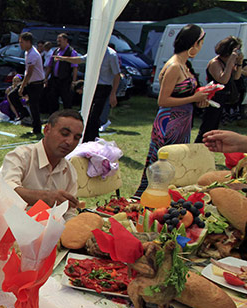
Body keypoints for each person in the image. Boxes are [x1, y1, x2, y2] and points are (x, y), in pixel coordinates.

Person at [135, 24, 209, 197]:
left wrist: (200, 99)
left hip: (182, 121)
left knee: (176, 162)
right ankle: (147, 197)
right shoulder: (174, 66)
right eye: (201, 43)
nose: (201, 47)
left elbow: (184, 93)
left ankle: (167, 197)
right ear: (194, 44)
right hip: (169, 122)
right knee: (162, 163)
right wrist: (193, 99)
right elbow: (163, 100)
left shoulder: (185, 65)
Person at [0, 109, 83, 219]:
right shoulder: (21, 156)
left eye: (77, 138)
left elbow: (69, 213)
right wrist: (45, 197)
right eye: (64, 134)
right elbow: (6, 189)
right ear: (47, 130)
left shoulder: (69, 171)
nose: (70, 142)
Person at [54, 46, 120, 142]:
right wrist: (63, 59)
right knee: (88, 114)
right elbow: (80, 60)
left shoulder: (111, 55)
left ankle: (90, 140)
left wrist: (113, 94)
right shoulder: (94, 50)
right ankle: (92, 138)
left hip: (103, 87)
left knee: (94, 115)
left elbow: (117, 75)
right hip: (91, 86)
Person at [195, 36, 244, 143]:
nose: (238, 52)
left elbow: (236, 77)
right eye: (236, 50)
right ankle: (197, 149)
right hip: (214, 99)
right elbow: (223, 80)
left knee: (215, 130)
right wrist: (231, 60)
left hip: (224, 99)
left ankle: (207, 152)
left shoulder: (228, 63)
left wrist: (239, 62)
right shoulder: (215, 62)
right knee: (207, 130)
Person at [18, 32, 45, 136]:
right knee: (12, 95)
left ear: (28, 42)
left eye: (22, 42)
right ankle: (24, 114)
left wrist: (22, 86)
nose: (20, 44)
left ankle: (37, 128)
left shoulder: (33, 54)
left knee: (34, 105)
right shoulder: (27, 52)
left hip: (36, 83)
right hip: (30, 82)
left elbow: (29, 73)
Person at [44, 33, 79, 110]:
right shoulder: (56, 51)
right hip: (55, 79)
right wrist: (46, 78)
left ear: (66, 40)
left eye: (60, 41)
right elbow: (50, 66)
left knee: (66, 100)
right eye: (58, 41)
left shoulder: (71, 52)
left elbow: (75, 68)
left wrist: (74, 81)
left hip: (65, 80)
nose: (58, 43)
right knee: (52, 99)